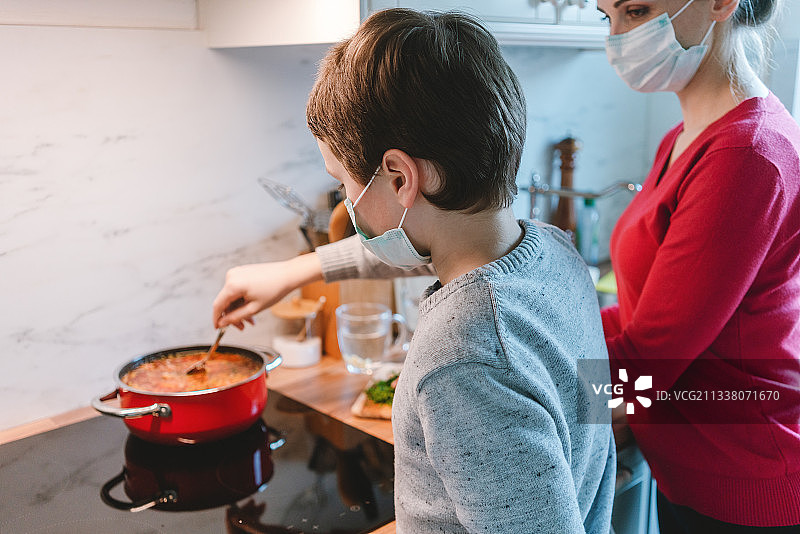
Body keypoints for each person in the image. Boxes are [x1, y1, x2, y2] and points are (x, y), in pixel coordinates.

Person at [213, 9, 616, 533]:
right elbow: (416, 246)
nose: (345, 201)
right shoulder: (553, 252)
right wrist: (296, 271)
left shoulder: (467, 360)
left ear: (400, 176)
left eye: (342, 184)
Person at [597, 0, 800, 531]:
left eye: (635, 11)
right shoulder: (685, 137)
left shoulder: (746, 154)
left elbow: (648, 363)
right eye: (607, 17)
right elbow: (642, 312)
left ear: (719, 3)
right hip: (692, 471)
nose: (617, 37)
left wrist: (509, 386)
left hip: (748, 480)